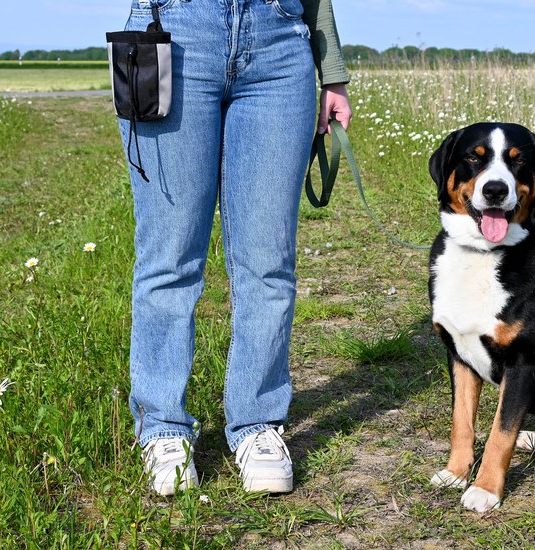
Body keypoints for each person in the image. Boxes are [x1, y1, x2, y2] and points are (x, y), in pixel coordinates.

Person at [116, 0, 352, 496]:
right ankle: (162, 428)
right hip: (174, 29)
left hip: (281, 38)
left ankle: (258, 424)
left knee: (269, 263)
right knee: (170, 258)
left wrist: (331, 72)